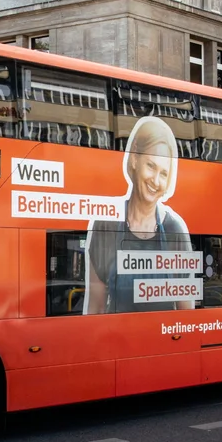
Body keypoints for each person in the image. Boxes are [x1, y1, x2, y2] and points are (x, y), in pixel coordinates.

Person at [86, 115, 196, 313]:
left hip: (163, 340)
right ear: (135, 159)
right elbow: (96, 306)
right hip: (117, 340)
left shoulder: (175, 230)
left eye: (164, 173)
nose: (156, 180)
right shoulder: (105, 225)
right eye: (151, 166)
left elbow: (185, 310)